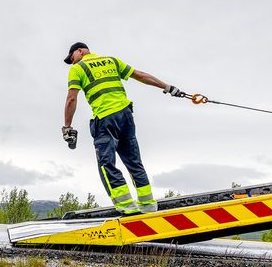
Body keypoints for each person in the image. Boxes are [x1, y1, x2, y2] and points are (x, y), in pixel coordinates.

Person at [62, 42, 185, 215]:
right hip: (126, 116)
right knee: (134, 162)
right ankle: (148, 206)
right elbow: (140, 75)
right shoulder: (111, 61)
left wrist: (67, 127)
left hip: (105, 119)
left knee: (106, 164)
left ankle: (127, 208)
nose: (72, 62)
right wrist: (167, 87)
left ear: (80, 51)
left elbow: (71, 99)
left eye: (72, 58)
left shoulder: (78, 68)